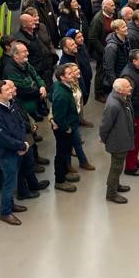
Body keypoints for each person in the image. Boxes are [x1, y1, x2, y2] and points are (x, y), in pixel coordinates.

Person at [0, 79, 31, 226]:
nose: (11, 91)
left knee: (13, 179)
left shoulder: (10, 105)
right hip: (8, 154)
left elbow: (19, 123)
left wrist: (22, 143)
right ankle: (5, 212)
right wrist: (20, 145)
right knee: (9, 183)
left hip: (18, 149)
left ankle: (11, 204)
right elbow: (3, 139)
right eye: (7, 90)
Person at [99, 78, 135, 204]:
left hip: (122, 138)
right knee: (116, 168)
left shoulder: (122, 98)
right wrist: (103, 138)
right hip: (117, 142)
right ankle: (111, 193)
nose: (130, 88)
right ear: (119, 90)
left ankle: (116, 185)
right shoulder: (113, 105)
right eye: (127, 87)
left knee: (118, 167)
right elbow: (105, 125)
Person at [49, 63, 82, 192]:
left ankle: (64, 173)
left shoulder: (60, 85)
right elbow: (59, 117)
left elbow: (50, 96)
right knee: (62, 153)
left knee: (65, 152)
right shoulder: (62, 95)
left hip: (68, 125)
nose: (73, 75)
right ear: (62, 77)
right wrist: (66, 128)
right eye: (69, 74)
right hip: (64, 129)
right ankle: (60, 181)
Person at [6, 40, 50, 117]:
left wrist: (42, 86)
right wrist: (40, 92)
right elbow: (23, 90)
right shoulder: (10, 71)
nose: (28, 53)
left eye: (27, 51)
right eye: (24, 52)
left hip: (35, 94)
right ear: (16, 55)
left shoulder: (25, 63)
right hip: (23, 99)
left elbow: (36, 75)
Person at [102, 19, 131, 106]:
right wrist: (115, 84)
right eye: (123, 27)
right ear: (116, 30)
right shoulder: (111, 47)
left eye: (126, 26)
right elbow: (109, 68)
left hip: (123, 75)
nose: (126, 28)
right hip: (117, 80)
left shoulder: (126, 40)